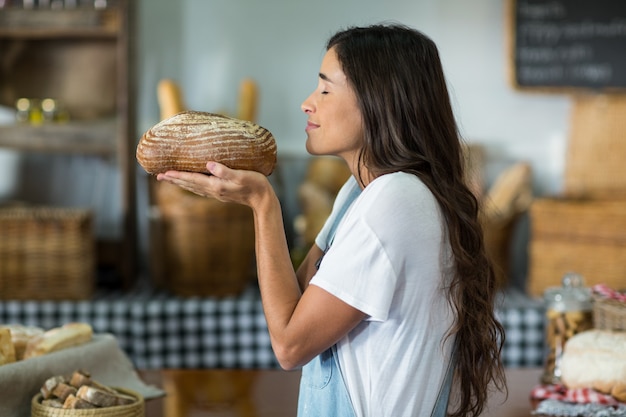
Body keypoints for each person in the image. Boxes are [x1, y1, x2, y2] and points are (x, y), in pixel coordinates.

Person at [157, 23, 506, 417]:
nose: (308, 102)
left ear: (379, 102)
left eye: (325, 89)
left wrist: (262, 204)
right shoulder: (358, 194)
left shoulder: (396, 201)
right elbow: (299, 303)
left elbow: (290, 345)